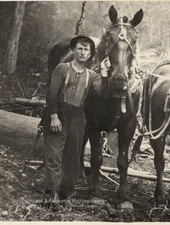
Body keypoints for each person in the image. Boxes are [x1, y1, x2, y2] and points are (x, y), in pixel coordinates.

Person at [43, 34, 110, 202]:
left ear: (90, 54)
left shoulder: (91, 75)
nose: (82, 52)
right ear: (73, 50)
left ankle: (65, 193)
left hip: (78, 117)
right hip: (59, 112)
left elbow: (103, 92)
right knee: (54, 154)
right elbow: (51, 94)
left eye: (86, 50)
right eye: (79, 48)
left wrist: (104, 73)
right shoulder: (62, 68)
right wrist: (53, 116)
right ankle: (52, 193)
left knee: (73, 157)